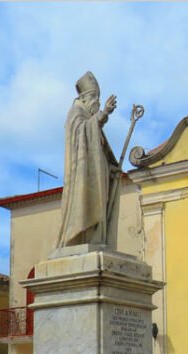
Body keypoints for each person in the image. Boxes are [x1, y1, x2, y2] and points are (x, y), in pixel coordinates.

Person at [56, 71, 119, 248]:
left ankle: (96, 239)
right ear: (83, 97)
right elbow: (82, 132)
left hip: (97, 174)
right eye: (93, 96)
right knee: (85, 205)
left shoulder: (88, 116)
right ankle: (82, 238)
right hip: (82, 177)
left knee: (100, 207)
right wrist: (104, 114)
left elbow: (98, 145)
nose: (96, 101)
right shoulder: (75, 113)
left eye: (97, 96)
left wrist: (110, 166)